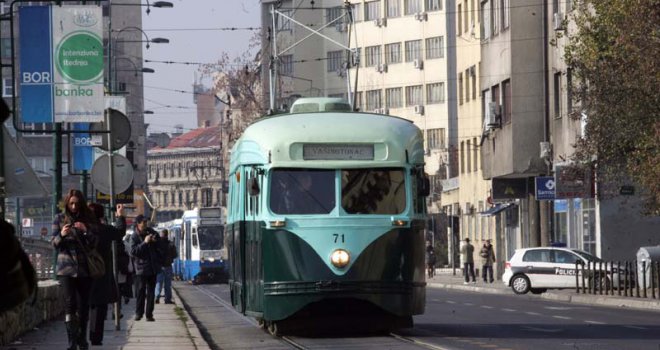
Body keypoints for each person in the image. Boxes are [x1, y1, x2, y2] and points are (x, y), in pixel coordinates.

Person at [51, 189, 98, 350]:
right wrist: (62, 235)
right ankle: (71, 341)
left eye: (76, 203)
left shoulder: (88, 219)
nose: (73, 206)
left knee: (83, 305)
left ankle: (82, 339)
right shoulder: (59, 219)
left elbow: (94, 242)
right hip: (66, 269)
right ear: (67, 203)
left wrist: (85, 230)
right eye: (71, 203)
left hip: (85, 268)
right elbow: (54, 244)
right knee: (70, 303)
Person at [86, 203, 125, 346]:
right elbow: (120, 231)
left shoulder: (83, 229)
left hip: (85, 272)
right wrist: (120, 215)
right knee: (99, 306)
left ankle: (84, 336)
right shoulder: (104, 230)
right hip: (101, 272)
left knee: (87, 306)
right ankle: (96, 337)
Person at [128, 214, 164, 322]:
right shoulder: (134, 236)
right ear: (138, 224)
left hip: (152, 268)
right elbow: (133, 251)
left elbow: (159, 242)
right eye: (143, 222)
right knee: (140, 292)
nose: (145, 224)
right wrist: (145, 242)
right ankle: (139, 313)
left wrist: (155, 240)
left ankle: (149, 314)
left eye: (146, 222)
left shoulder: (150, 231)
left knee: (151, 293)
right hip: (140, 269)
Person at [155, 229, 178, 304]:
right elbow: (175, 255)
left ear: (161, 234)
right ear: (167, 235)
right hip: (168, 266)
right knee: (168, 284)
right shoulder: (170, 244)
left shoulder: (157, 244)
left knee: (158, 283)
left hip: (159, 266)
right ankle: (167, 299)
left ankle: (157, 297)